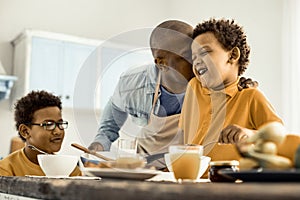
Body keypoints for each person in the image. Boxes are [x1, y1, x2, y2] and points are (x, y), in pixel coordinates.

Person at [88, 20, 257, 168]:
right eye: (188, 55)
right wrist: (96, 149)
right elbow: (108, 128)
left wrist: (236, 87)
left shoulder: (209, 83)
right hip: (143, 169)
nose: (198, 62)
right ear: (161, 62)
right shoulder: (132, 85)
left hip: (187, 169)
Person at [179, 18, 283, 162]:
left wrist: (249, 134)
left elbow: (280, 138)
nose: (196, 61)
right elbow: (182, 137)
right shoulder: (193, 87)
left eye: (205, 52)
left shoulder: (251, 96)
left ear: (233, 55)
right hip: (191, 178)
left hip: (230, 181)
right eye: (194, 57)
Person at [0, 90, 81, 176]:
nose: (58, 131)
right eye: (49, 124)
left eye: (60, 124)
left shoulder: (70, 170)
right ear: (25, 131)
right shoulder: (6, 170)